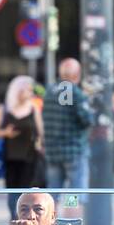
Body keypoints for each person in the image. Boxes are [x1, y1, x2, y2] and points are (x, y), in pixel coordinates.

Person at [0, 75, 43, 218]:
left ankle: (26, 221)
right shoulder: (4, 109)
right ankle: (14, 220)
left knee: (27, 192)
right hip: (11, 159)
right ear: (17, 91)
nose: (30, 93)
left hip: (30, 158)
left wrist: (41, 145)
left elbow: (41, 132)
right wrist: (6, 132)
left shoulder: (33, 108)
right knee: (12, 194)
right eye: (26, 90)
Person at [41, 58, 93, 190]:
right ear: (77, 74)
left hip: (52, 151)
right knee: (75, 191)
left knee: (53, 189)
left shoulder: (49, 91)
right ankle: (72, 210)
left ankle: (52, 210)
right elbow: (87, 120)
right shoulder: (76, 93)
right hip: (73, 151)